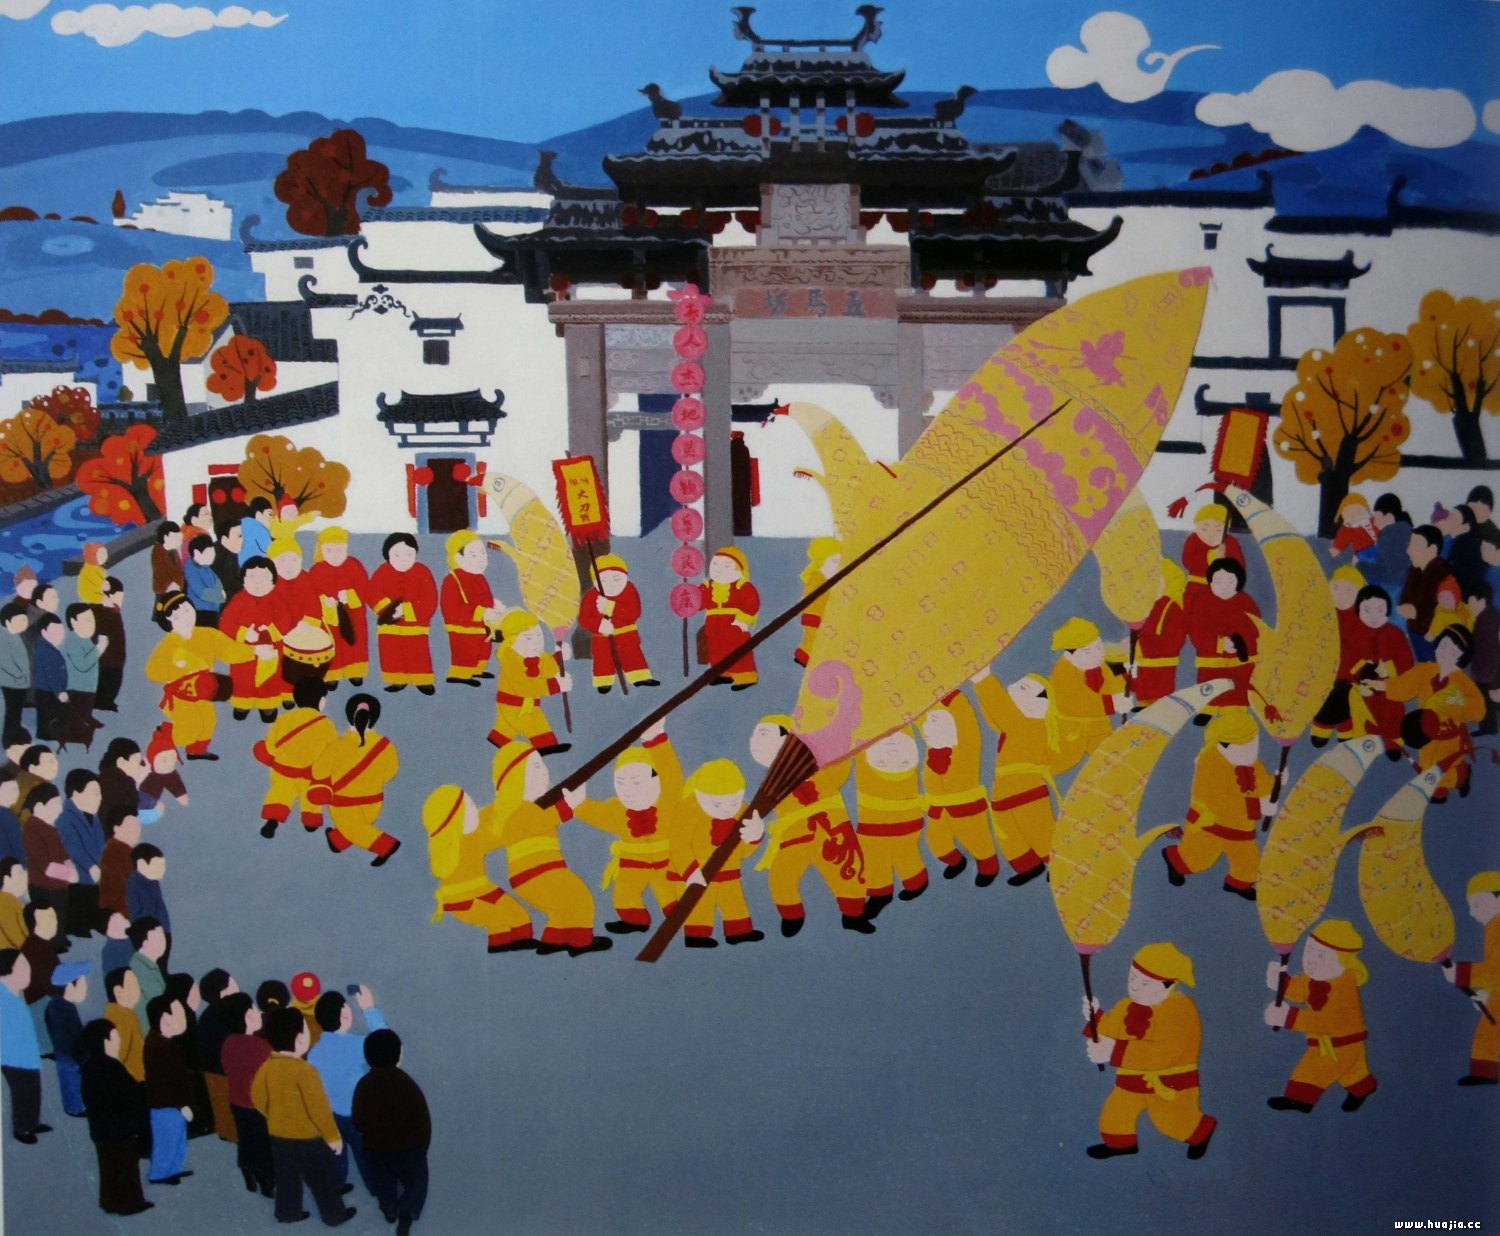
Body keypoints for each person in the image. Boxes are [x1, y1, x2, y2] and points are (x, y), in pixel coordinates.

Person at [1081, 943, 1216, 1161]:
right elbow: (1111, 1028)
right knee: (1115, 1113)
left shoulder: (1180, 1010)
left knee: (1171, 1124)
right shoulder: (1126, 1006)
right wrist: (1095, 1017)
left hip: (1169, 1083)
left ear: (1169, 986)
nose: (1134, 987)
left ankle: (1201, 1132)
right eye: (1132, 978)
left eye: (1145, 983)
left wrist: (1113, 1051)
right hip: (1130, 1081)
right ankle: (1121, 1144)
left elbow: (1163, 1053)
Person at [747, 717, 870, 935]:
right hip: (794, 835)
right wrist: (755, 828)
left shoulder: (821, 768)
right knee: (780, 877)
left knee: (848, 872)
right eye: (755, 736)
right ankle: (791, 915)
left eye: (764, 734)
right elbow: (758, 811)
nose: (755, 741)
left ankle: (854, 915)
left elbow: (841, 765)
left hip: (831, 831)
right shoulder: (770, 784)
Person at [573, 720, 686, 934]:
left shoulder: (668, 799)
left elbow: (671, 774)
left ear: (657, 780)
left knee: (670, 895)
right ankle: (635, 920)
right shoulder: (616, 809)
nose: (628, 791)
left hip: (666, 860)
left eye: (636, 782)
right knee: (624, 894)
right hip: (632, 862)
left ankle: (680, 918)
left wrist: (655, 739)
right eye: (620, 782)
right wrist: (578, 803)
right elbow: (598, 814)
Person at [490, 740, 599, 954]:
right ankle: (581, 942)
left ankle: (553, 941)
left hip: (535, 875)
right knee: (581, 900)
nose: (544, 771)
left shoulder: (520, 809)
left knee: (559, 909)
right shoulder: (520, 810)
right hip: (540, 874)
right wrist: (570, 804)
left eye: (542, 765)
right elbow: (540, 821)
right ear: (516, 777)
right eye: (536, 766)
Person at [252, 1005, 358, 1226]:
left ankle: (287, 1213)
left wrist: (274, 1115)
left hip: (279, 1136)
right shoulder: (305, 1071)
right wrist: (333, 1137)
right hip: (310, 1139)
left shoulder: (266, 1067)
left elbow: (257, 1097)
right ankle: (334, 1216)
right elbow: (319, 1109)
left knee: (287, 1178)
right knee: (322, 1180)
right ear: (300, 1038)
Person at [1264, 920, 1377, 1113]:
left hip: (1341, 1043)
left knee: (1311, 1071)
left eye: (1321, 954)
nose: (1311, 959)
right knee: (1352, 1073)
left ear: (1343, 960)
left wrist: (1288, 1017)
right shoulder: (1311, 978)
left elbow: (1330, 1021)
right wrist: (1281, 982)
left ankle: (1299, 1100)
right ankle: (1364, 1087)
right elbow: (1298, 990)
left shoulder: (1344, 986)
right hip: (1337, 1042)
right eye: (1309, 950)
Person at [1161, 709, 1276, 900]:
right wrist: (1255, 804)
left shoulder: (1255, 765)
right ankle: (1175, 861)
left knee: (1248, 859)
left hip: (1242, 826)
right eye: (1244, 746)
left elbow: (1262, 785)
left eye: (1253, 743)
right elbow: (1213, 796)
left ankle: (1238, 884)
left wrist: (1272, 788)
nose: (1250, 751)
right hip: (1212, 823)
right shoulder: (1210, 762)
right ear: (1222, 745)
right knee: (1199, 858)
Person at [420, 787, 535, 954]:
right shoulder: (469, 840)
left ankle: (500, 946)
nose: (477, 810)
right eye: (472, 806)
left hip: (463, 897)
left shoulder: (445, 845)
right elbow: (497, 836)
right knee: (518, 916)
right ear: (457, 818)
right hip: (475, 896)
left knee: (502, 922)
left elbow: (487, 818)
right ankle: (518, 944)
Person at [1377, 626, 1486, 802]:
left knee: (1444, 769)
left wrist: (1461, 701)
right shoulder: (1426, 670)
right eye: (1444, 646)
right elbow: (1403, 686)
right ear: (1437, 645)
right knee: (1427, 767)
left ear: (1461, 657)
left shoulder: (1463, 682)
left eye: (1453, 651)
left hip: (1450, 736)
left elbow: (1479, 711)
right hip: (1426, 732)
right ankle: (1438, 788)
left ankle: (1461, 775)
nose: (1445, 653)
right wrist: (1382, 685)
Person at [144, 592, 256, 759]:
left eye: (186, 610)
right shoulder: (169, 643)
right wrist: (175, 666)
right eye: (177, 616)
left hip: (203, 688)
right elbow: (152, 671)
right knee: (190, 728)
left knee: (208, 720)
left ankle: (196, 750)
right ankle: (163, 736)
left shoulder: (207, 634)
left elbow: (229, 650)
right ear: (169, 623)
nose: (185, 617)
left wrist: (254, 650)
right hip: (179, 695)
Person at [671, 757, 766, 947]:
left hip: (729, 872)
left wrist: (754, 837)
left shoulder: (743, 810)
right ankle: (696, 937)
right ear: (700, 795)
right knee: (700, 905)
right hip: (697, 873)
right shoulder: (688, 809)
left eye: (733, 801)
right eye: (717, 804)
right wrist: (690, 871)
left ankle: (739, 932)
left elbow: (744, 851)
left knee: (734, 902)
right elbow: (679, 845)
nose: (726, 810)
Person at [308, 985, 388, 1192]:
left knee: (338, 1154)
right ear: (344, 1014)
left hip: (332, 1113)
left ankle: (337, 1185)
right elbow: (387, 1046)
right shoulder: (360, 1045)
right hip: (360, 1114)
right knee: (366, 1156)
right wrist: (369, 1009)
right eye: (345, 1007)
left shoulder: (314, 1052)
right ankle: (377, 1189)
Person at [919, 691, 1002, 886]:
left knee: (977, 841)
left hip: (966, 807)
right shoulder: (932, 749)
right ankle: (956, 861)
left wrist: (947, 693)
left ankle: (988, 867)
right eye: (928, 723)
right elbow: (918, 716)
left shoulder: (966, 743)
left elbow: (964, 716)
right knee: (936, 842)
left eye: (936, 722)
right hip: (938, 810)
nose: (929, 727)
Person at [352, 1028, 430, 1236]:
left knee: (384, 1184)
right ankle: (407, 1210)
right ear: (397, 1055)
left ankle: (389, 1209)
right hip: (409, 1148)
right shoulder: (407, 1083)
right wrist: (422, 1148)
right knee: (417, 1183)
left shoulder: (364, 1085)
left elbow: (358, 1118)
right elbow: (422, 1118)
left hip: (376, 1149)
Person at [308, 693, 401, 864]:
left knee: (354, 829)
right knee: (355, 829)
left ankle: (386, 846)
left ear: (348, 715)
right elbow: (391, 772)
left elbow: (319, 771)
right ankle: (336, 841)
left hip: (343, 803)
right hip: (373, 802)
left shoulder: (338, 745)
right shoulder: (386, 746)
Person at [79, 1018, 152, 1215]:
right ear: (104, 1042)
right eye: (115, 1038)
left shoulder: (89, 1067)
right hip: (121, 1129)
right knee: (127, 1168)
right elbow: (127, 1097)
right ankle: (131, 1203)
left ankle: (109, 1200)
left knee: (108, 1167)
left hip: (100, 1130)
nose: (118, 1042)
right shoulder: (112, 1067)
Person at [853, 731, 928, 919]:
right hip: (872, 819)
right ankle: (881, 892)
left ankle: (915, 880)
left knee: (905, 852)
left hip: (904, 814)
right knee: (873, 855)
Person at [255, 676, 339, 840]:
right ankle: (311, 821)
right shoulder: (326, 724)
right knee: (310, 797)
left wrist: (269, 754)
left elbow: (271, 744)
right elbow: (331, 752)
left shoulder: (284, 719)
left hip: (283, 768)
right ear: (321, 700)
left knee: (280, 792)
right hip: (309, 771)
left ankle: (272, 819)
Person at [219, 559, 291, 722]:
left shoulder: (278, 600)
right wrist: (244, 633)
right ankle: (242, 703)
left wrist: (269, 631)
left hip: (270, 650)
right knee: (242, 678)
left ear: (273, 581)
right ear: (243, 580)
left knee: (270, 678)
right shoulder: (239, 600)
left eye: (264, 577)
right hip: (245, 651)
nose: (257, 582)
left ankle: (267, 704)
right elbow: (226, 623)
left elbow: (286, 621)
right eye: (252, 577)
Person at [487, 611, 570, 753]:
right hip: (513, 705)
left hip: (528, 703)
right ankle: (546, 747)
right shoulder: (509, 658)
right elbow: (524, 687)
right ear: (511, 641)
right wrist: (555, 685)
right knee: (537, 726)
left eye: (539, 635)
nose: (537, 641)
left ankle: (495, 741)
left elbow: (547, 668)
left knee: (505, 730)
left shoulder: (537, 656)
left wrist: (559, 657)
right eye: (528, 637)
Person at [1445, 872, 1500, 1085]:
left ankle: (1485, 1072)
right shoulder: (1493, 926)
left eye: (1477, 904)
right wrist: (1487, 993)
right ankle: (1485, 1072)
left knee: (1490, 1030)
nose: (1471, 913)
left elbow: (1496, 969)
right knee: (1489, 1030)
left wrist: (1462, 973)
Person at [368, 533, 438, 695]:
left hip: (416, 627)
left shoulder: (422, 572)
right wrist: (389, 609)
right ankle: (397, 680)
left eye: (409, 554)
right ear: (388, 555)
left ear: (415, 554)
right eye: (397, 555)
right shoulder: (382, 571)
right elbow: (372, 592)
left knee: (418, 654)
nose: (403, 559)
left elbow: (430, 599)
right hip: (389, 626)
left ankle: (422, 681)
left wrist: (406, 610)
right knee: (392, 655)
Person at [220, 991, 275, 1195]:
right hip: (258, 1104)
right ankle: (267, 1182)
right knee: (264, 1145)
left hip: (237, 1101)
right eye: (254, 1009)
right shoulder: (262, 1046)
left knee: (246, 1139)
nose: (258, 1012)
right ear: (246, 1016)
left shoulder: (228, 1042)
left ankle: (247, 1170)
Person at [577, 552, 657, 691]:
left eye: (616, 578)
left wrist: (611, 607)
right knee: (603, 660)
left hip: (627, 635)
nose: (611, 584)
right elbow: (584, 619)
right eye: (604, 580)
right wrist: (599, 625)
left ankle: (639, 678)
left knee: (633, 656)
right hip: (602, 638)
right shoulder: (591, 596)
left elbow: (634, 612)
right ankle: (604, 682)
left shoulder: (629, 590)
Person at [1049, 617, 1130, 746]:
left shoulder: (1100, 660)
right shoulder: (1062, 671)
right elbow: (1074, 706)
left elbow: (1115, 675)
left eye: (1098, 647)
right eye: (1087, 652)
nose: (1097, 655)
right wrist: (1112, 703)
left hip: (1103, 726)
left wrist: (1121, 692)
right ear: (1068, 654)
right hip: (1074, 732)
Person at [1310, 566, 1367, 745]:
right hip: (1323, 670)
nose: (1341, 594)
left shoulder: (1361, 619)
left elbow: (1363, 651)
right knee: (1321, 695)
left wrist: (1355, 671)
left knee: (1342, 696)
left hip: (1349, 674)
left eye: (1348, 590)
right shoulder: (1324, 614)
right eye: (1336, 587)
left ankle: (1335, 728)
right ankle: (1327, 728)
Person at [439, 531, 503, 686]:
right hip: (463, 627)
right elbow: (451, 608)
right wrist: (482, 612)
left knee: (483, 649)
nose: (481, 558)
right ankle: (460, 674)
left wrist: (494, 604)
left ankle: (477, 670)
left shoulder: (480, 577)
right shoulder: (452, 579)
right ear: (458, 558)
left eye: (483, 553)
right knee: (466, 651)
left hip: (483, 625)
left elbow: (484, 597)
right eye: (473, 555)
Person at [143, 993, 194, 1184]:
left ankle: (172, 1171)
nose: (184, 1019)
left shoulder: (164, 1042)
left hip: (170, 1104)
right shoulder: (160, 1046)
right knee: (167, 1141)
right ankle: (159, 1174)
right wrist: (182, 1104)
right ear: (164, 1018)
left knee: (177, 1139)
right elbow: (165, 1081)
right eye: (179, 1015)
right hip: (166, 1105)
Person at [0, 948, 49, 1144]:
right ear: (7, 970)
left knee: (33, 1090)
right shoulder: (3, 998)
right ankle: (22, 1129)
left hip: (27, 1055)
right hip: (14, 1057)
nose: (28, 970)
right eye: (23, 965)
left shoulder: (15, 993)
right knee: (23, 1092)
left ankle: (32, 1123)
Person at [308, 528, 369, 686]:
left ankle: (355, 672)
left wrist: (350, 596)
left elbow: (365, 589)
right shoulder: (316, 571)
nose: (335, 555)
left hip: (353, 617)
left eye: (339, 550)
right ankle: (332, 674)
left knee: (353, 645)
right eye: (329, 550)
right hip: (328, 619)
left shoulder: (354, 566)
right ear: (321, 550)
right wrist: (324, 601)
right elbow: (311, 595)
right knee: (330, 645)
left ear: (346, 548)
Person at [1130, 560, 1189, 707]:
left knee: (1159, 700)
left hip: (1161, 667)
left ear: (1166, 583)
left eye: (1154, 581)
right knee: (1143, 697)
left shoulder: (1172, 608)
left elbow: (1175, 639)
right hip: (1142, 664)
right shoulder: (1144, 608)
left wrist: (1142, 644)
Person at [699, 547, 759, 689]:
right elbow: (699, 602)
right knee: (715, 649)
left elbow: (751, 603)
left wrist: (742, 620)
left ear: (739, 569)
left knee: (737, 650)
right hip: (713, 624)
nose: (719, 569)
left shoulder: (741, 586)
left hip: (733, 624)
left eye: (726, 566)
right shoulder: (707, 586)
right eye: (715, 564)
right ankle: (722, 673)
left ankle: (746, 677)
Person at [56, 768, 104, 937]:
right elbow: (73, 847)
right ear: (76, 793)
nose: (100, 798)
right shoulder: (65, 818)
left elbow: (101, 846)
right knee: (80, 928)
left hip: (95, 882)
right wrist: (91, 866)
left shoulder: (94, 817)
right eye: (95, 793)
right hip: (77, 885)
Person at [1399, 525, 1456, 659]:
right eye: (1410, 545)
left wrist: (1416, 614)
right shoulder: (1415, 570)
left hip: (1434, 642)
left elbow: (1447, 615)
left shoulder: (1444, 578)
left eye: (1415, 546)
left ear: (1432, 549)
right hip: (1415, 635)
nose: (1408, 551)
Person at [194, 968, 238, 1142]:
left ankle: (227, 1132)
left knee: (222, 1107)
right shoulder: (225, 1014)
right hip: (223, 1070)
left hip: (212, 1070)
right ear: (223, 990)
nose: (237, 986)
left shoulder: (208, 1015)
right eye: (233, 983)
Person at [21, 783, 76, 921]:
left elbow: (65, 856)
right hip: (43, 888)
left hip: (59, 887)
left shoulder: (52, 829)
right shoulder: (30, 829)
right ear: (40, 806)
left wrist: (71, 869)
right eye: (56, 804)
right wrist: (69, 874)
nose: (60, 809)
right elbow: (45, 866)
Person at [1179, 503, 1244, 617]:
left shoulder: (1230, 542)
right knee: (1191, 608)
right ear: (1196, 527)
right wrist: (1210, 557)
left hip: (1224, 587)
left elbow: (1239, 566)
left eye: (1218, 529)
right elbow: (1187, 561)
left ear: (1226, 529)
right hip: (1197, 585)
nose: (1211, 534)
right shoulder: (1193, 540)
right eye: (1204, 528)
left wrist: (1225, 561)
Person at [44, 961, 89, 1117]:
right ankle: (77, 1108)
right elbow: (70, 1038)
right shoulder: (62, 1009)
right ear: (69, 986)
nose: (85, 989)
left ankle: (75, 1106)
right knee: (73, 1083)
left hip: (66, 1056)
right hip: (70, 1057)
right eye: (82, 984)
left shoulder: (58, 1005)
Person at [60, 604, 104, 745]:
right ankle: (75, 733)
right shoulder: (73, 641)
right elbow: (83, 664)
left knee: (86, 707)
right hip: (77, 687)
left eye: (92, 619)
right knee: (77, 712)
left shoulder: (85, 640)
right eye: (87, 620)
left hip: (88, 686)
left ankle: (87, 718)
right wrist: (99, 648)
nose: (92, 623)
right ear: (73, 622)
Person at [793, 537, 840, 668]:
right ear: (822, 561)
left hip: (828, 622)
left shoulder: (831, 580)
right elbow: (812, 606)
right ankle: (806, 657)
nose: (838, 565)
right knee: (814, 642)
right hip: (818, 621)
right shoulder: (816, 579)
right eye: (834, 561)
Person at [1465, 582, 1500, 735]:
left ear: (1482, 601)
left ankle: (1488, 728)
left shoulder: (1488, 621)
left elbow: (1490, 652)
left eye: (1471, 602)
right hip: (1487, 670)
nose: (1469, 606)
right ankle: (1489, 728)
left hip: (1488, 671)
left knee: (1487, 699)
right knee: (1488, 700)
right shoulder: (1486, 617)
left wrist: (1483, 675)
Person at [103, 966, 145, 1083]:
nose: (138, 988)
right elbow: (118, 1056)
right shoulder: (122, 1017)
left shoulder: (120, 1014)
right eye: (132, 985)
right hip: (133, 1081)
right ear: (118, 991)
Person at [127, 845, 171, 954]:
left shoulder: (153, 881)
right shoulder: (134, 882)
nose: (163, 869)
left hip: (162, 932)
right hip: (148, 936)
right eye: (158, 865)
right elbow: (137, 913)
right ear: (141, 864)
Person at [32, 614, 68, 744]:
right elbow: (51, 675)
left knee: (47, 715)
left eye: (61, 631)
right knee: (48, 715)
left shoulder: (47, 648)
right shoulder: (46, 650)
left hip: (47, 690)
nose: (60, 635)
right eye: (55, 631)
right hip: (48, 691)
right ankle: (47, 736)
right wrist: (59, 692)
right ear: (44, 632)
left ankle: (47, 734)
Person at [98, 806, 139, 922]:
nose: (137, 830)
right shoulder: (117, 853)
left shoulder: (123, 851)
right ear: (116, 828)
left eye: (137, 826)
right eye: (131, 826)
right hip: (121, 918)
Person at [92, 576, 127, 713]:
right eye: (119, 596)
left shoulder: (114, 611)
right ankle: (101, 702)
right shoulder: (97, 610)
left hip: (116, 658)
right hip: (105, 659)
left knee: (113, 681)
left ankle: (106, 702)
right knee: (105, 680)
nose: (121, 599)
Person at [1369, 493, 1414, 595]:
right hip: (1407, 586)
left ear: (1389, 517)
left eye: (1377, 517)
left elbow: (1385, 570)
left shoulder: (1387, 536)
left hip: (1392, 588)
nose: (1374, 523)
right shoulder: (1408, 531)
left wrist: (1360, 566)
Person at [127, 918, 169, 1024]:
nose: (164, 941)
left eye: (163, 936)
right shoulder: (139, 967)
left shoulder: (149, 965)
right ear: (145, 942)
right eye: (158, 937)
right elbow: (159, 998)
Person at [140, 725, 189, 811]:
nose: (170, 762)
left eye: (173, 758)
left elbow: (177, 787)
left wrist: (181, 796)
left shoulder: (171, 774)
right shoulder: (144, 765)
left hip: (149, 803)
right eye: (164, 760)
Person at [0, 602, 31, 735]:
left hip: (20, 684)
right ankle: (9, 738)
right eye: (20, 620)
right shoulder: (3, 637)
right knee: (11, 714)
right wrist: (20, 675)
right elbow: (6, 662)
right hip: (10, 684)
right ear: (8, 622)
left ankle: (14, 735)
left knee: (16, 715)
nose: (24, 623)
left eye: (25, 620)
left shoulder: (16, 636)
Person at [183, 535, 226, 626]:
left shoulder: (206, 566)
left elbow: (216, 581)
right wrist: (219, 596)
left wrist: (221, 592)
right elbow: (200, 591)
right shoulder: (191, 568)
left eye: (213, 553)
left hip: (213, 609)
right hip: (200, 610)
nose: (212, 557)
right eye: (208, 554)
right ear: (197, 553)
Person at [150, 522, 185, 601]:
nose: (180, 542)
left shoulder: (174, 551)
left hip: (176, 590)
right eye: (176, 538)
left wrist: (178, 585)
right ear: (166, 537)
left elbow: (179, 572)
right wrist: (171, 585)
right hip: (163, 592)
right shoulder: (157, 551)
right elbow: (160, 573)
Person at [238, 497, 274, 565]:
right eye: (270, 514)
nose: (271, 519)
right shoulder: (259, 528)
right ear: (258, 514)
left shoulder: (242, 524)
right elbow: (270, 549)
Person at [0, 856, 26, 948]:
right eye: (20, 873)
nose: (25, 876)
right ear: (6, 879)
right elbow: (16, 937)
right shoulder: (5, 902)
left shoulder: (15, 901)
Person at [215, 521, 244, 598]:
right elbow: (230, 584)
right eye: (239, 536)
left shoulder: (230, 551)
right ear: (224, 539)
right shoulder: (221, 558)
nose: (243, 540)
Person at [0, 771, 21, 866]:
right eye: (12, 789)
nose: (16, 793)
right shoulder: (6, 816)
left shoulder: (8, 814)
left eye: (16, 789)